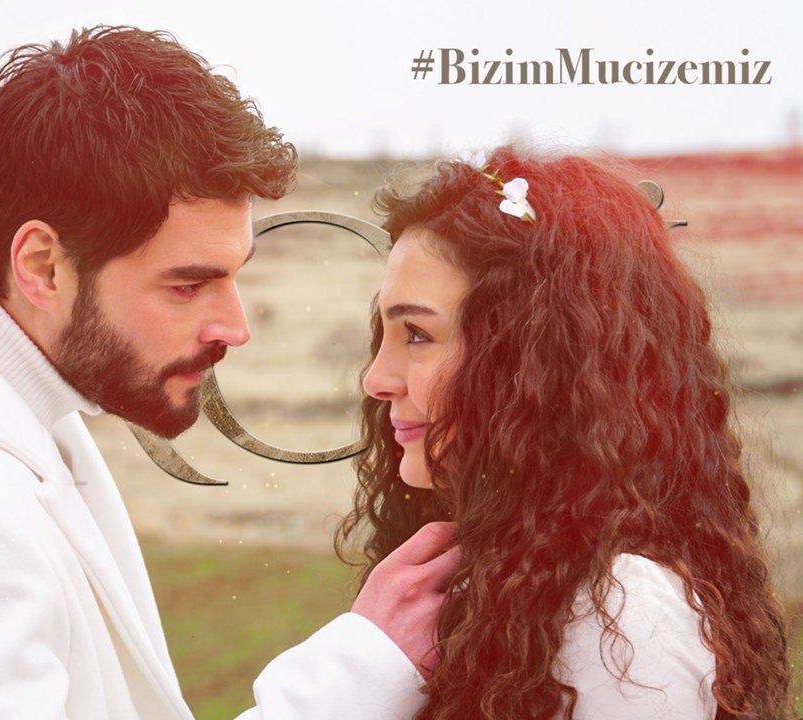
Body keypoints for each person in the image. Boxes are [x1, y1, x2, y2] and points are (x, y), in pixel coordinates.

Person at [0, 26, 459, 719]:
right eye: (187, 285)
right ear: (42, 267)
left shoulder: (5, 411)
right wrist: (358, 673)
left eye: (233, 275)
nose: (234, 328)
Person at [336, 145, 791, 719]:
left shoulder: (623, 619)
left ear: (539, 358)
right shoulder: (510, 574)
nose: (376, 379)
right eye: (385, 335)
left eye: (419, 335)